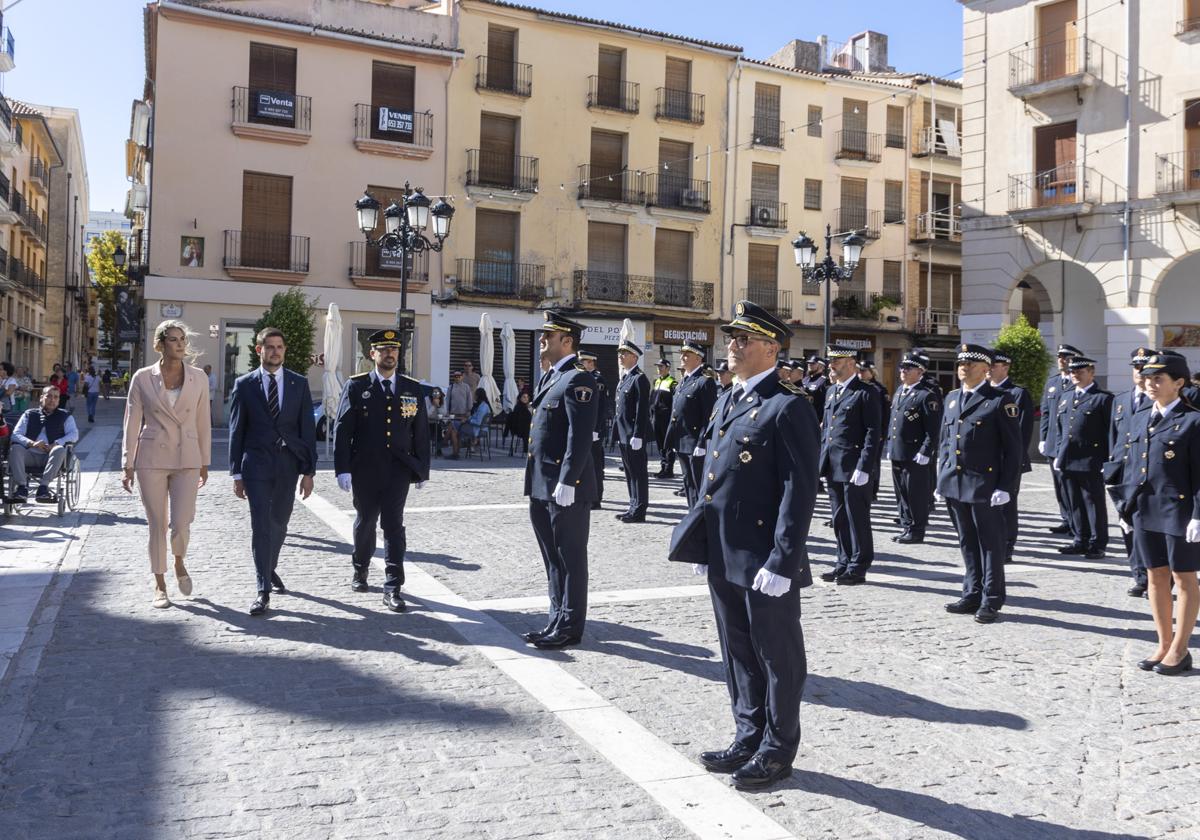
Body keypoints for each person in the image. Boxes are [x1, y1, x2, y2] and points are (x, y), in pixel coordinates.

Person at [669, 299, 820, 791]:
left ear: (771, 347)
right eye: (732, 337)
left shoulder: (789, 406)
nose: (732, 345)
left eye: (743, 338)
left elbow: (800, 492)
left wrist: (784, 558)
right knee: (735, 651)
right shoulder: (728, 398)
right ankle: (748, 733)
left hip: (762, 557)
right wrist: (702, 541)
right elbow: (714, 480)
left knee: (777, 656)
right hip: (723, 551)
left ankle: (777, 750)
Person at [334, 328, 430, 613]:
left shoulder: (411, 388)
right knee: (365, 522)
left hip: (398, 470)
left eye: (394, 350)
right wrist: (343, 469)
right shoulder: (356, 386)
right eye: (383, 350)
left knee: (393, 526)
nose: (390, 354)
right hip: (365, 468)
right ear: (372, 354)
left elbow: (421, 431)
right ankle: (360, 568)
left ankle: (392, 586)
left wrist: (422, 469)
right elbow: (342, 430)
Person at [1118, 352, 1200, 675]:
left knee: (1184, 578)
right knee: (1155, 577)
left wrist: (1198, 515)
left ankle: (1180, 649)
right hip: (1145, 508)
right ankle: (1164, 643)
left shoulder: (1194, 422)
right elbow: (1133, 465)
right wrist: (1126, 505)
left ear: (1179, 383)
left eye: (1159, 378)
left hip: (1179, 510)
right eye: (1147, 377)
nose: (1150, 383)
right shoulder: (1140, 417)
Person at [121, 320, 212, 609]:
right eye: (174, 339)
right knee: (157, 524)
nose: (181, 344)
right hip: (151, 456)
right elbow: (132, 421)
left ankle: (178, 561)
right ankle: (159, 585)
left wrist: (205, 461)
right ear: (161, 344)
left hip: (187, 456)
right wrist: (128, 464)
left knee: (182, 522)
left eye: (183, 338)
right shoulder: (142, 377)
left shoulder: (199, 377)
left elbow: (203, 423)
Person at [228, 328, 317, 617]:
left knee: (279, 523)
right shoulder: (244, 385)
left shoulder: (299, 383)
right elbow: (236, 431)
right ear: (259, 350)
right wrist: (236, 474)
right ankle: (262, 590)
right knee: (261, 526)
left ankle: (269, 567)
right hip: (255, 465)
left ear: (284, 350)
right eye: (270, 347)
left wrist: (308, 471)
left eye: (280, 346)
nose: (275, 351)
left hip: (288, 465)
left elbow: (307, 430)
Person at [522, 311, 598, 650]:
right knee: (551, 557)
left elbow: (579, 437)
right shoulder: (550, 378)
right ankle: (556, 617)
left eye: (548, 336)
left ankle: (570, 625)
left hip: (566, 487)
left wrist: (569, 479)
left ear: (567, 341)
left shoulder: (578, 380)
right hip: (542, 483)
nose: (542, 341)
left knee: (570, 558)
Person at [939, 344, 1023, 624]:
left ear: (986, 369)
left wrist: (1004, 487)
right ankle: (971, 592)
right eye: (961, 363)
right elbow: (945, 443)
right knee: (967, 542)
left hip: (984, 484)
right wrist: (942, 478)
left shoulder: (1000, 400)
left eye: (971, 364)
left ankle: (991, 598)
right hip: (955, 482)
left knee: (990, 544)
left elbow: (1013, 450)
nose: (964, 368)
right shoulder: (951, 398)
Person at [818, 345, 882, 585]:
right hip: (833, 465)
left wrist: (864, 467)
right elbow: (828, 431)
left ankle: (858, 565)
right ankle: (842, 561)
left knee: (857, 519)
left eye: (838, 360)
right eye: (831, 360)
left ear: (852, 363)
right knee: (839, 518)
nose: (832, 365)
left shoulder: (866, 392)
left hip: (854, 466)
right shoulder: (832, 391)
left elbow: (872, 432)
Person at [1106, 347, 1156, 596]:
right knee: (1127, 526)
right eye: (1136, 367)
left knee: (1150, 527)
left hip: (1147, 474)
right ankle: (1139, 575)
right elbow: (1114, 438)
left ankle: (1156, 578)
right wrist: (1111, 469)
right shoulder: (1121, 399)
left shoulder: (1158, 400)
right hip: (1124, 473)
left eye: (1144, 367)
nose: (1139, 372)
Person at [1053, 356, 1113, 559]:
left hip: (1091, 459)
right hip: (1068, 458)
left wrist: (1107, 460)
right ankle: (1080, 539)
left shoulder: (1103, 398)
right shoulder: (1066, 397)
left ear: (1092, 373)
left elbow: (1110, 433)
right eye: (1072, 372)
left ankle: (1097, 543)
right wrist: (1058, 454)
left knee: (1093, 503)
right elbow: (1061, 430)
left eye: (1080, 371)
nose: (1075, 375)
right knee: (1074, 502)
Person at [886, 352, 942, 544]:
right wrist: (890, 444)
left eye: (908, 368)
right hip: (898, 450)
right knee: (901, 492)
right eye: (902, 368)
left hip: (915, 453)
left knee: (915, 494)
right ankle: (906, 525)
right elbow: (894, 421)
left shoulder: (926, 395)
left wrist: (926, 451)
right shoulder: (901, 391)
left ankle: (917, 530)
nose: (903, 371)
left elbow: (933, 429)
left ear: (920, 371)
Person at [988, 352, 1035, 562]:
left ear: (1005, 367)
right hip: (987, 461)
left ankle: (1007, 545)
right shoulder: (985, 392)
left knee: (1007, 505)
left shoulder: (1017, 393)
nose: (989, 368)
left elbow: (1022, 433)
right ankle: (991, 541)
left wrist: (1016, 460)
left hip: (1008, 460)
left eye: (994, 365)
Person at [665, 341, 719, 508]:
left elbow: (709, 416)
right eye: (682, 354)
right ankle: (692, 517)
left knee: (698, 484)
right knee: (688, 482)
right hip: (681, 440)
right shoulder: (682, 382)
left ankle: (700, 520)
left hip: (695, 442)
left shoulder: (704, 382)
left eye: (687, 354)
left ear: (698, 358)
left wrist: (702, 442)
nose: (682, 357)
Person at [8, 385, 79, 503]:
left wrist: (56, 443)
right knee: (15, 448)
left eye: (56, 397)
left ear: (59, 400)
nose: (52, 400)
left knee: (59, 449)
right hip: (29, 454)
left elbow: (74, 435)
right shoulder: (29, 414)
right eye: (49, 396)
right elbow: (16, 434)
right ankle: (21, 488)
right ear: (42, 398)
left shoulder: (65, 416)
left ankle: (43, 488)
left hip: (50, 457)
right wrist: (32, 443)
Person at [1039, 344, 1080, 536]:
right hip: (1053, 442)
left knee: (1072, 487)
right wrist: (1043, 437)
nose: (1062, 360)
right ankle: (1066, 518)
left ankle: (1076, 522)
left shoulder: (1078, 383)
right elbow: (1046, 412)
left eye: (1067, 357)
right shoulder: (1052, 383)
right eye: (1060, 357)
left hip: (1069, 443)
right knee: (1059, 485)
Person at [614, 339, 651, 523]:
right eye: (620, 353)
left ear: (634, 357)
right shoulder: (626, 378)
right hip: (623, 434)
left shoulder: (639, 379)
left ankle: (640, 509)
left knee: (638, 473)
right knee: (629, 473)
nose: (620, 356)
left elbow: (641, 411)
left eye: (624, 353)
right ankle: (633, 505)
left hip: (633, 435)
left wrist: (638, 435)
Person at [577, 349, 607, 509]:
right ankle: (586, 494)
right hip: (582, 429)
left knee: (595, 466)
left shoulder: (597, 379)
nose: (580, 364)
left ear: (590, 363)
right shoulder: (582, 377)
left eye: (583, 362)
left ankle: (596, 498)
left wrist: (596, 429)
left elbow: (600, 407)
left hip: (594, 430)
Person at [650, 359, 677, 479]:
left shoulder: (672, 383)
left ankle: (668, 469)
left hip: (666, 418)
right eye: (658, 366)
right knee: (660, 444)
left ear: (667, 368)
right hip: (656, 417)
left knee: (668, 444)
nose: (659, 369)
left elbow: (674, 402)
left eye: (661, 366)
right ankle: (663, 467)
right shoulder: (657, 382)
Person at [444, 370, 472, 459]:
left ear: (462, 376)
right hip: (453, 414)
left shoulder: (466, 387)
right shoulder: (451, 387)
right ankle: (454, 452)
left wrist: (468, 411)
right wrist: (447, 412)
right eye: (455, 376)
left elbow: (469, 400)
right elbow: (447, 400)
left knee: (456, 433)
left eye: (459, 376)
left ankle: (445, 443)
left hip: (463, 415)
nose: (457, 377)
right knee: (454, 432)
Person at [505, 390, 532, 456]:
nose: (526, 399)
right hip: (520, 429)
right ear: (520, 398)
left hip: (519, 428)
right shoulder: (520, 407)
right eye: (524, 397)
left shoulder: (522, 406)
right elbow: (526, 419)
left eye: (527, 397)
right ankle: (528, 450)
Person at [427, 388, 448, 456]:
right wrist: (433, 406)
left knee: (439, 429)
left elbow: (444, 413)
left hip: (437, 421)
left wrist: (438, 406)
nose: (435, 395)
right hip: (428, 421)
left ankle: (439, 449)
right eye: (434, 393)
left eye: (437, 393)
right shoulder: (427, 399)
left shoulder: (443, 400)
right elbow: (427, 414)